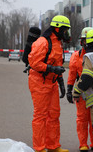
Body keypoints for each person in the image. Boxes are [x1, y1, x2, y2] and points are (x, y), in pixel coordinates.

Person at [28, 15, 71, 152]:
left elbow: (58, 63)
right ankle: (39, 148)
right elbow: (34, 63)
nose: (66, 33)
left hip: (52, 82)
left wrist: (61, 82)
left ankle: (53, 145)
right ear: (57, 28)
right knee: (40, 115)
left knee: (54, 114)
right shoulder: (43, 42)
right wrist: (52, 69)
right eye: (65, 30)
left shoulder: (57, 42)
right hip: (39, 81)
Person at [66, 27, 93, 152]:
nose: (83, 43)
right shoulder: (76, 56)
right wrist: (69, 89)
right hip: (82, 91)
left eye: (85, 40)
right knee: (82, 119)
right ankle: (83, 144)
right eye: (83, 40)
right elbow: (72, 74)